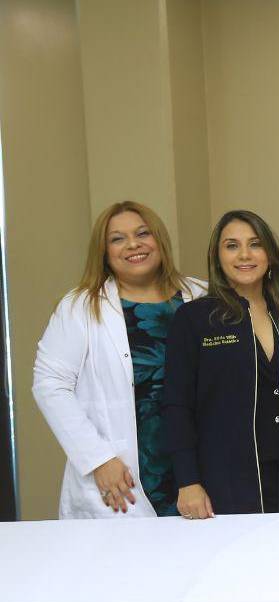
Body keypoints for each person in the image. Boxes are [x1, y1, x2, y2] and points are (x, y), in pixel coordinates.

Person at [33, 201, 206, 518]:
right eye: (117, 239)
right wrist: (98, 459)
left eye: (143, 233)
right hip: (119, 476)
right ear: (104, 251)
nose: (133, 245)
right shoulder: (81, 307)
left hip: (196, 472)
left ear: (159, 239)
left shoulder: (202, 297)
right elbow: (50, 384)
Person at [162, 210, 279, 518]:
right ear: (217, 256)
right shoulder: (195, 319)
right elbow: (176, 406)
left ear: (270, 254)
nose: (244, 255)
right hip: (224, 478)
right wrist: (188, 481)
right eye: (232, 246)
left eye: (255, 244)